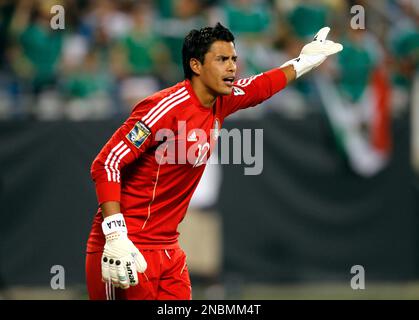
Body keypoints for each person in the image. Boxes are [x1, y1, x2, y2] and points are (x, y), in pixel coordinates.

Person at [85, 22, 342, 300]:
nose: (232, 67)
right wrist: (114, 235)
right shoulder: (164, 108)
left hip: (168, 248)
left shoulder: (221, 100)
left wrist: (303, 62)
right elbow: (107, 162)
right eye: (221, 60)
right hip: (126, 246)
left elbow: (260, 86)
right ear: (196, 65)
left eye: (233, 59)